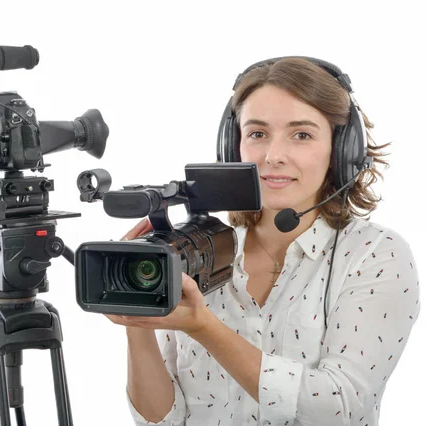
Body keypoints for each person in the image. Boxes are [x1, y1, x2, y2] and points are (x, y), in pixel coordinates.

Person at [105, 57, 421, 426]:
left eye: (301, 134)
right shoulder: (198, 251)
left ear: (342, 151)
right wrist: (136, 316)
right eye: (257, 134)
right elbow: (162, 419)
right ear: (233, 146)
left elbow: (340, 408)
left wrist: (205, 328)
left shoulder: (376, 255)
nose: (273, 156)